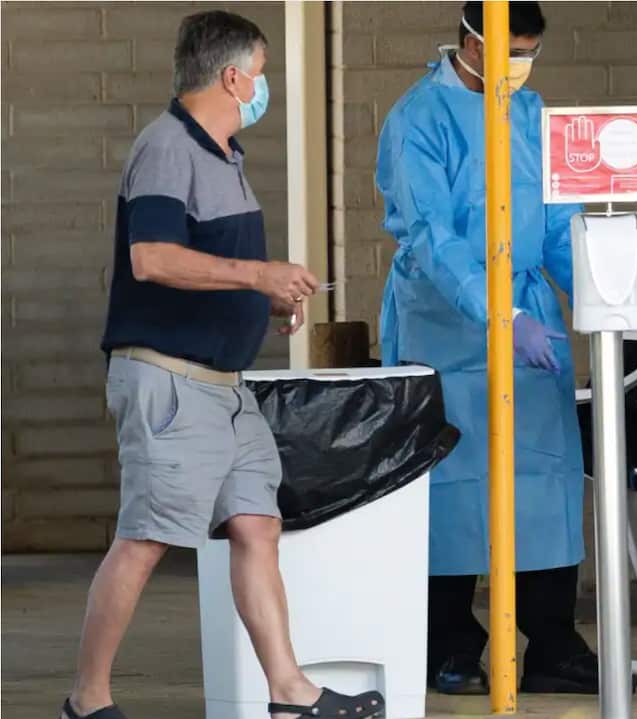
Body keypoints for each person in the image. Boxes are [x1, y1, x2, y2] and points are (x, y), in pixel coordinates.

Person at [74, 11, 383, 719]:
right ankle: (87, 700)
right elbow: (150, 258)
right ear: (233, 76)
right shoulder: (166, 149)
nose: (264, 87)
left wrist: (265, 300)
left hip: (225, 388)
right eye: (263, 72)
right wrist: (257, 274)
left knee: (255, 525)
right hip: (171, 383)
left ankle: (289, 691)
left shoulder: (226, 156)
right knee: (146, 539)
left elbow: (218, 270)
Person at [376, 1, 601, 696]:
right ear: (470, 39)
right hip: (445, 321)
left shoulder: (531, 113)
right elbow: (431, 237)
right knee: (450, 485)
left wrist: (602, 294)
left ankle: (552, 639)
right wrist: (498, 312)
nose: (519, 66)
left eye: (528, 51)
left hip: (529, 318)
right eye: (509, 49)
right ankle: (449, 642)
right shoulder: (419, 119)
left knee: (545, 478)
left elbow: (558, 220)